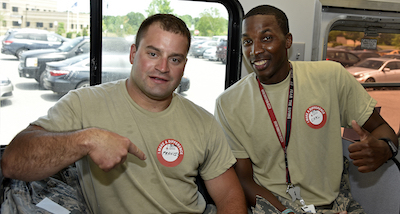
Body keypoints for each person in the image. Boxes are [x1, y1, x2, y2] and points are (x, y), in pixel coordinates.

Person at [1, 14, 247, 214]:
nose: (162, 68)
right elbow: (13, 163)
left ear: (184, 65)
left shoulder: (203, 122)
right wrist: (87, 140)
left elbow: (230, 196)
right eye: (153, 54)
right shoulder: (84, 103)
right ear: (132, 54)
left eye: (175, 59)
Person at [214, 5, 398, 214]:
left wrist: (385, 149)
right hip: (273, 206)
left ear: (288, 41)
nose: (255, 50)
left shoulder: (331, 77)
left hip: (334, 204)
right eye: (248, 41)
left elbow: (384, 129)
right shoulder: (229, 102)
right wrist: (287, 212)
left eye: (266, 38)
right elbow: (243, 179)